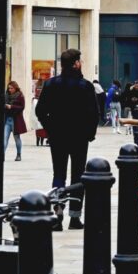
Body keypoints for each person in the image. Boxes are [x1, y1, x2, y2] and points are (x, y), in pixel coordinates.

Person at [36, 47, 102, 226]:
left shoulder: (51, 84)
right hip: (79, 137)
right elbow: (94, 114)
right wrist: (90, 133)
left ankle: (57, 212)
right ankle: (75, 216)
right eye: (79, 61)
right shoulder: (85, 86)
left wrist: (50, 128)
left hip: (58, 136)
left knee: (58, 173)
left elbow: (40, 110)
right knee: (78, 176)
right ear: (76, 64)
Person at [4, 77, 27, 163]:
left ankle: (18, 154)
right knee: (4, 138)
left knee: (17, 138)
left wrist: (11, 107)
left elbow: (22, 107)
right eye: (9, 88)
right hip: (7, 119)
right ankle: (2, 155)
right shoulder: (6, 95)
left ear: (15, 88)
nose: (10, 90)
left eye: (11, 88)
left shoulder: (20, 96)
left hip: (15, 120)